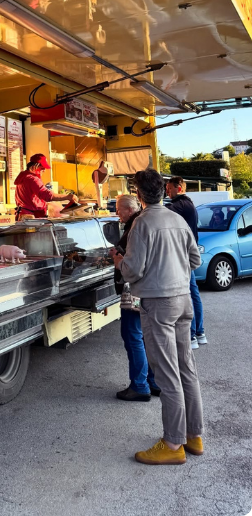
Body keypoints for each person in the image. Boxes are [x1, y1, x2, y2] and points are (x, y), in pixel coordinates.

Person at [111, 169, 204, 465]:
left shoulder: (142, 223)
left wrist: (119, 261)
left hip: (158, 303)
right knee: (186, 368)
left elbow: (133, 270)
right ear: (163, 190)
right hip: (183, 301)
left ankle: (173, 443)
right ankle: (194, 436)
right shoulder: (177, 219)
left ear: (138, 195)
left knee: (166, 374)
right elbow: (195, 259)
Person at [113, 194, 160, 402]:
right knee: (144, 336)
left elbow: (132, 264)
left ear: (130, 210)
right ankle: (153, 381)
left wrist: (116, 258)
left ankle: (140, 385)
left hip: (134, 290)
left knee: (133, 336)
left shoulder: (135, 227)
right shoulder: (149, 222)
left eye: (119, 209)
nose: (116, 213)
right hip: (150, 288)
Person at [165, 177, 208, 350]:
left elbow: (162, 211)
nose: (167, 191)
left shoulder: (181, 203)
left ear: (179, 188)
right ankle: (199, 332)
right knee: (193, 292)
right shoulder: (187, 204)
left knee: (187, 294)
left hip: (183, 255)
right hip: (187, 253)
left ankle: (191, 335)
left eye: (169, 188)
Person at [14, 154, 76, 220]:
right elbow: (47, 196)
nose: (44, 170)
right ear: (36, 166)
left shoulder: (23, 177)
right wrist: (68, 197)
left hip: (22, 215)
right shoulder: (33, 179)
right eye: (42, 167)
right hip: (31, 217)